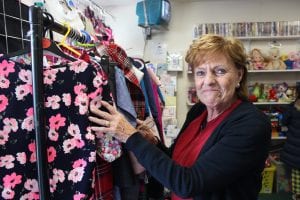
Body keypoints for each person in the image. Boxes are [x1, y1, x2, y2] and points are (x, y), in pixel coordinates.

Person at [89, 34, 271, 200]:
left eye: (220, 71)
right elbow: (174, 160)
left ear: (239, 75)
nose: (208, 81)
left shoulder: (252, 124)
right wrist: (151, 142)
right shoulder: (199, 111)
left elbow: (187, 183)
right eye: (200, 72)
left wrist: (130, 136)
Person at [280, 83, 300, 200]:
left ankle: (297, 195)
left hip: (294, 150)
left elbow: (284, 122)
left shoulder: (292, 108)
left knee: (296, 175)